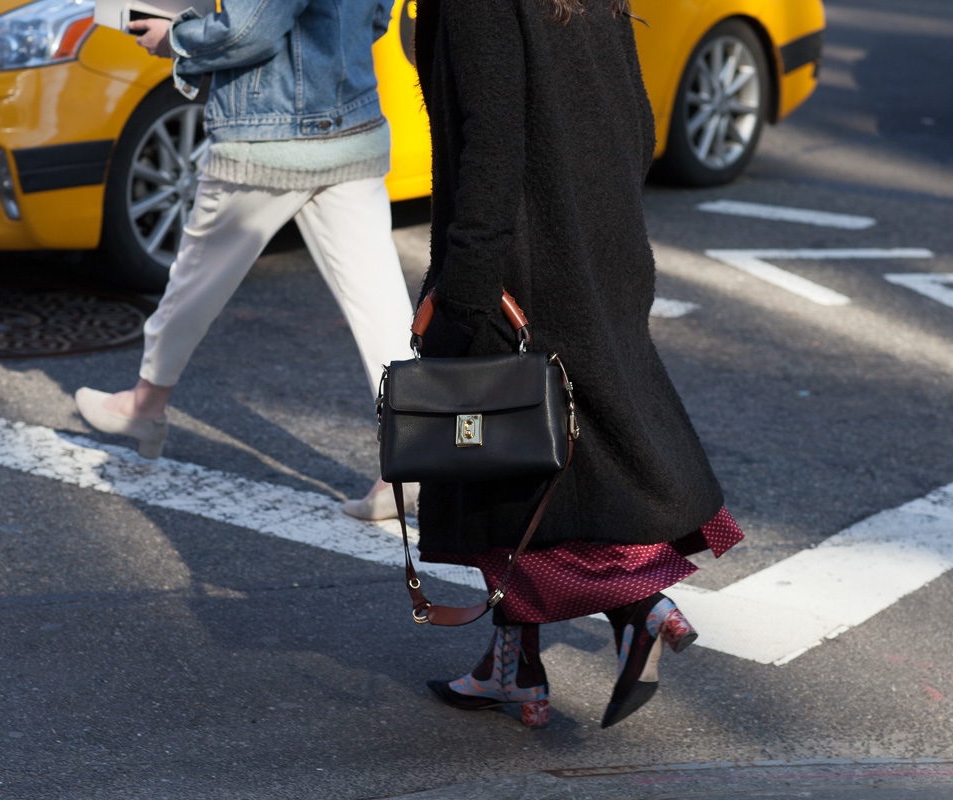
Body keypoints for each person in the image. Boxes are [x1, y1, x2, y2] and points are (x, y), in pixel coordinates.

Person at [411, 0, 745, 729]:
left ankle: (638, 602)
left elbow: (490, 148)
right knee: (533, 471)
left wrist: (462, 300)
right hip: (598, 251)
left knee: (498, 456)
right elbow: (639, 122)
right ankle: (515, 667)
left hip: (521, 271)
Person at [75, 0, 417, 520]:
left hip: (267, 139)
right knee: (381, 307)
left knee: (194, 279)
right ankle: (414, 465)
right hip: (352, 129)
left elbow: (249, 30)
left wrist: (178, 39)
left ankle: (144, 406)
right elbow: (374, 19)